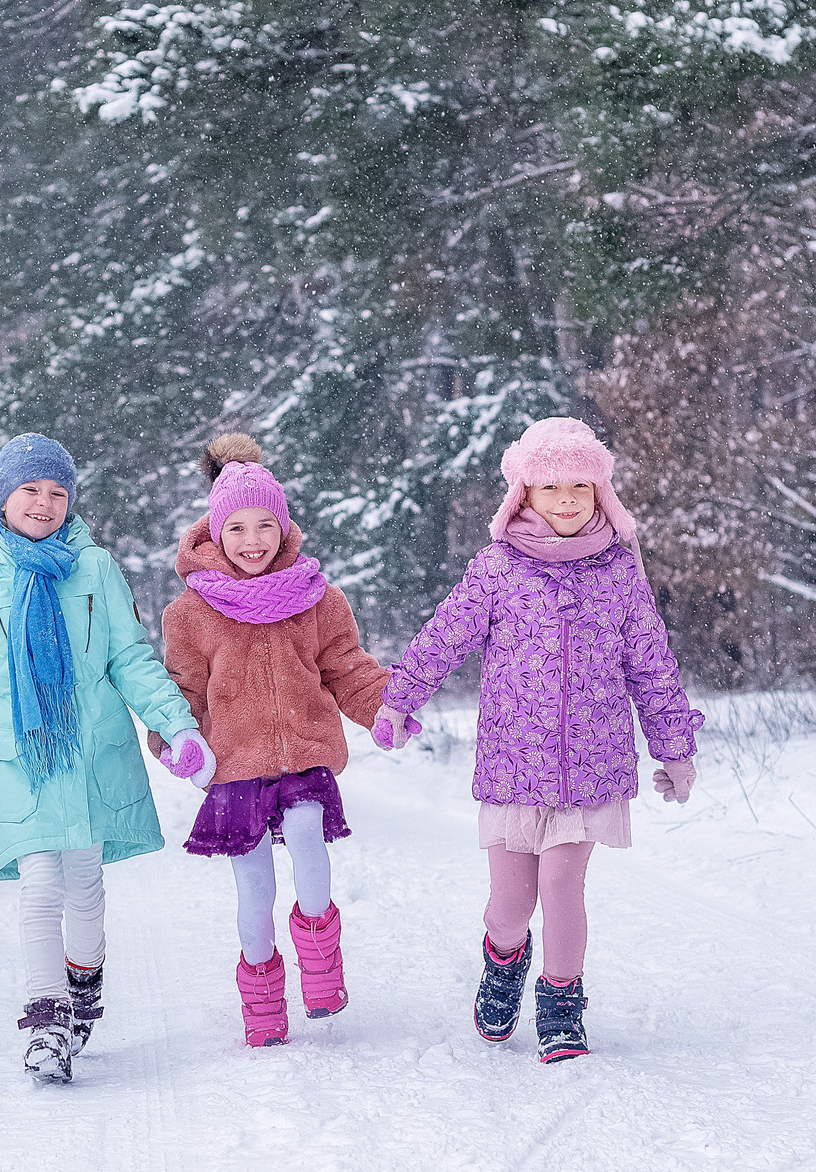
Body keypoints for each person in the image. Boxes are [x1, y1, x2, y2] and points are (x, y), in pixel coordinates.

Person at [0, 433, 211, 1084]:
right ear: (2, 498)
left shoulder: (95, 567)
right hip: (20, 760)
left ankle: (83, 985)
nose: (45, 503)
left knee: (84, 887)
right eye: (31, 490)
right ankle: (46, 1020)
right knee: (41, 885)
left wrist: (178, 727)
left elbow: (129, 659)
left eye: (57, 492)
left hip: (92, 757)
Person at [376, 416, 703, 1064]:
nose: (566, 499)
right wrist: (401, 698)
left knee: (561, 884)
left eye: (581, 485)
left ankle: (561, 1000)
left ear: (601, 493)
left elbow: (652, 665)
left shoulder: (619, 573)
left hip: (592, 766)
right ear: (523, 493)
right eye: (550, 485)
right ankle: (504, 961)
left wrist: (675, 747)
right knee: (510, 902)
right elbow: (447, 635)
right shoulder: (498, 568)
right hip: (513, 766)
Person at [157, 434, 392, 1047]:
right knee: (253, 884)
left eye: (266, 525)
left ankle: (320, 965)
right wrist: (175, 740)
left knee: (311, 840)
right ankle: (262, 998)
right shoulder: (191, 612)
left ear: (284, 527)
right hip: (235, 765)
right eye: (237, 528)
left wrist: (387, 709)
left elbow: (348, 668)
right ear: (214, 532)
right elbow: (180, 691)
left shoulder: (317, 598)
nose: (253, 540)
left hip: (304, 752)